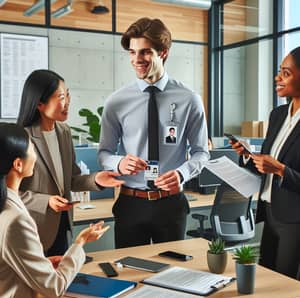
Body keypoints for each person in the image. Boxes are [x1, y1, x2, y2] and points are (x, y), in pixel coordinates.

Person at [98, 17, 209, 248]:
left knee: (172, 274)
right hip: (131, 203)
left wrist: (181, 174)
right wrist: (119, 163)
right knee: (128, 273)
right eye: (132, 52)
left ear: (164, 52)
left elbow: (201, 152)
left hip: (171, 205)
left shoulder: (189, 99)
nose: (137, 60)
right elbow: (104, 153)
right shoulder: (116, 101)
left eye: (145, 52)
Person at [17, 69, 124, 256]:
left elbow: (72, 178)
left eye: (67, 94)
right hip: (32, 229)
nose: (67, 102)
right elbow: (8, 192)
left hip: (62, 225)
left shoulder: (64, 132)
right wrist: (46, 201)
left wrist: (97, 179)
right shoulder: (22, 139)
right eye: (60, 97)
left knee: (61, 282)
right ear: (40, 103)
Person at [0, 122, 110, 298]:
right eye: (32, 149)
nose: (35, 156)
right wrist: (80, 243)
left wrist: (40, 265)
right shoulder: (16, 221)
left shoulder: (5, 207)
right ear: (18, 165)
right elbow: (55, 287)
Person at [230, 47, 300, 279]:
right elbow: (266, 166)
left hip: (295, 219)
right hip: (270, 213)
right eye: (279, 71)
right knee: (266, 276)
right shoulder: (278, 114)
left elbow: (279, 168)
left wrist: (280, 169)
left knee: (285, 284)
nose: (277, 78)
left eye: (286, 73)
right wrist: (250, 157)